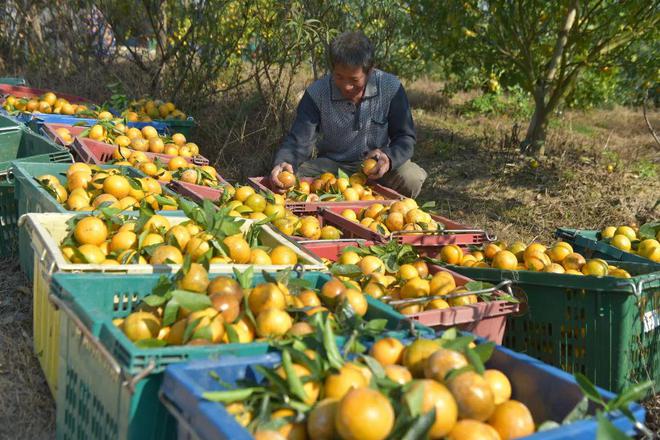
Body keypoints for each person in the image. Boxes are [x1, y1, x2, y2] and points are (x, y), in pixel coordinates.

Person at [270, 31, 427, 198]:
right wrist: (283, 163)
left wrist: (388, 157)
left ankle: (390, 207)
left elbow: (405, 137)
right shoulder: (317, 94)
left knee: (412, 177)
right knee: (292, 177)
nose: (346, 86)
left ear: (370, 71)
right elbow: (298, 141)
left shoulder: (390, 88)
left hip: (377, 166)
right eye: (339, 76)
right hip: (334, 167)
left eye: (354, 80)